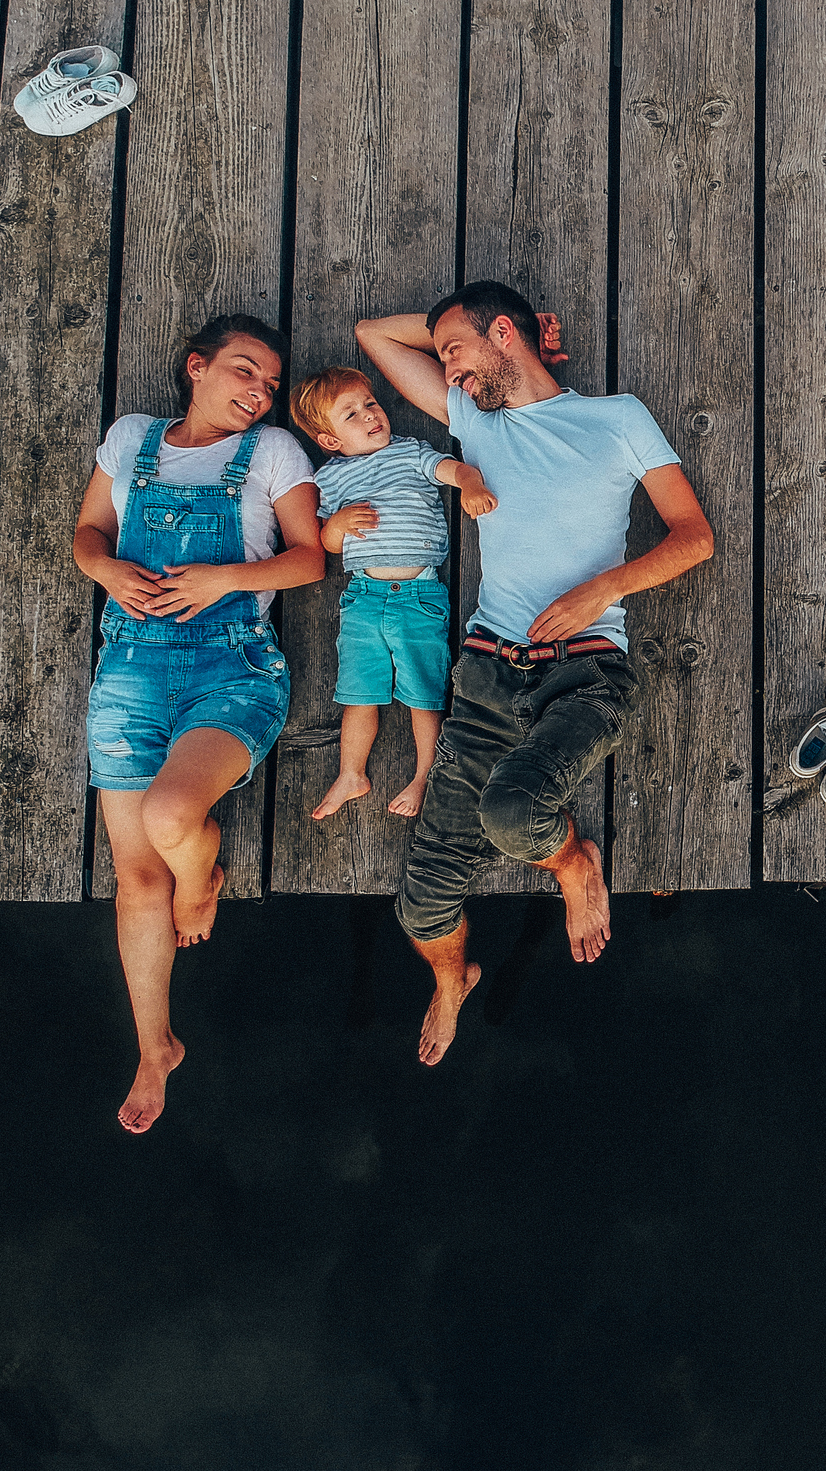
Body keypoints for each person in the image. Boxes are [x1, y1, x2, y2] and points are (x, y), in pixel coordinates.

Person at [355, 282, 714, 1065]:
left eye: (455, 350)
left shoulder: (615, 418)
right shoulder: (476, 425)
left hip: (584, 675)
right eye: (444, 353)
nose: (445, 369)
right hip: (487, 676)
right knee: (420, 909)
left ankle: (572, 863)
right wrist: (451, 323)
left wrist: (604, 588)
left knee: (516, 814)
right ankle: (453, 981)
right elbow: (371, 337)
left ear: (505, 334)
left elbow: (694, 538)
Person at [73, 316, 324, 1133]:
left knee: (170, 817)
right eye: (244, 372)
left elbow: (308, 559)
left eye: (269, 385)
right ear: (196, 367)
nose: (258, 393)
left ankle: (203, 876)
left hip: (230, 666)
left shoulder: (276, 453)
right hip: (129, 672)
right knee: (134, 880)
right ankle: (156, 1049)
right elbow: (89, 534)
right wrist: (106, 568)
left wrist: (224, 578)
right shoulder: (132, 439)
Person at [290, 365, 499, 820]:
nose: (369, 415)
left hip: (417, 596)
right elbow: (324, 541)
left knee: (423, 694)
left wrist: (472, 483)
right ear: (329, 440)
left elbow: (453, 469)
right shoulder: (330, 479)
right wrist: (337, 527)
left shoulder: (410, 453)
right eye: (351, 414)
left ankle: (426, 774)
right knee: (358, 692)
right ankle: (351, 773)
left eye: (370, 404)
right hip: (362, 597)